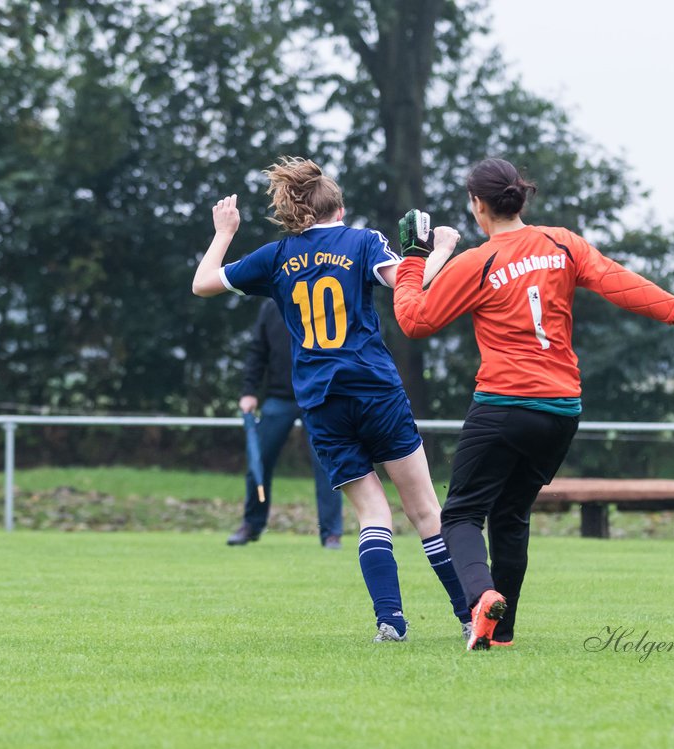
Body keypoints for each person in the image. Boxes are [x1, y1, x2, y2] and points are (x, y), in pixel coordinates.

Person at [392, 158, 674, 651]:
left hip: (504, 405)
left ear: (478, 205)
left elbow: (414, 320)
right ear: (520, 199)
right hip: (561, 411)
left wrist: (414, 257)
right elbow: (622, 284)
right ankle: (500, 634)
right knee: (511, 514)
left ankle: (482, 597)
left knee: (460, 517)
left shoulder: (478, 261)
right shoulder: (561, 244)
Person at [192, 156, 471, 643]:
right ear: (339, 207)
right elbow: (415, 283)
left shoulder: (278, 255)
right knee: (425, 511)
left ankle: (391, 620)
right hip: (374, 388)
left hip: (320, 400)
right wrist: (441, 246)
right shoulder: (362, 242)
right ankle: (469, 616)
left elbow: (202, 284)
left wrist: (224, 231)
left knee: (372, 514)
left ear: (298, 211)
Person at [228, 299, 344, 549]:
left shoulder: (323, 300)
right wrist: (249, 391)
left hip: (318, 398)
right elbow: (257, 351)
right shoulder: (271, 306)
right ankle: (252, 524)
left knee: (327, 466)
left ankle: (331, 533)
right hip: (278, 398)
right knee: (258, 462)